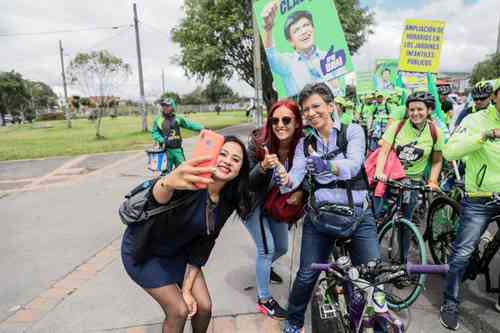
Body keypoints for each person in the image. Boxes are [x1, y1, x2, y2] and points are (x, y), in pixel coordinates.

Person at [274, 83, 380, 333]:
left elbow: (354, 166)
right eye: (305, 109)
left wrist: (326, 166)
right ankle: (294, 321)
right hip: (320, 219)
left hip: (358, 217)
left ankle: (376, 325)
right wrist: (283, 177)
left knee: (371, 279)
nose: (310, 113)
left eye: (316, 106)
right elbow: (295, 178)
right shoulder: (304, 142)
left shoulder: (352, 131)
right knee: (307, 274)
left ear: (331, 106)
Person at [121, 136, 251, 333]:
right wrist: (167, 183)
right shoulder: (190, 180)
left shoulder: (226, 200)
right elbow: (157, 198)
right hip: (145, 253)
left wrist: (187, 289)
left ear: (240, 169)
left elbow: (204, 244)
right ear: (213, 155)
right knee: (179, 310)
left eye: (235, 159)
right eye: (222, 154)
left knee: (204, 307)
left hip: (179, 253)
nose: (227, 161)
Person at [439, 79, 500, 331]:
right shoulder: (474, 120)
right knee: (462, 253)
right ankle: (450, 303)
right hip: (479, 198)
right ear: (496, 96)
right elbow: (450, 153)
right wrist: (484, 136)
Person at [245, 99, 304, 319]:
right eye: (275, 120)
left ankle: (265, 268)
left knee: (281, 247)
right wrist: (262, 167)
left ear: (297, 123)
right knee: (267, 249)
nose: (280, 124)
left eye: (286, 119)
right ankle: (264, 299)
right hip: (252, 203)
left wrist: (301, 193)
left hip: (275, 205)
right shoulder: (258, 142)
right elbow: (245, 182)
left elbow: (307, 176)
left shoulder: (301, 145)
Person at [374, 92, 444, 224]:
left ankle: (404, 243)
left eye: (420, 109)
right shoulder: (397, 126)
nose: (415, 113)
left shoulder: (435, 132)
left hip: (413, 183)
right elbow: (383, 152)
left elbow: (437, 161)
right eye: (412, 109)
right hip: (390, 179)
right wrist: (379, 172)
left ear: (429, 110)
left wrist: (433, 181)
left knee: (406, 222)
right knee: (377, 216)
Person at [261, 4, 340, 97]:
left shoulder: (330, 57)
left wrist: (335, 88)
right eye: (296, 30)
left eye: (306, 25)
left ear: (313, 28)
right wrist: (268, 27)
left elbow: (340, 90)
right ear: (290, 41)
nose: (303, 32)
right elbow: (271, 55)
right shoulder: (287, 62)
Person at [151, 97, 204, 173]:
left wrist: (202, 128)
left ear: (173, 107)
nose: (165, 108)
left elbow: (189, 124)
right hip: (166, 151)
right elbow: (154, 132)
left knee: (183, 170)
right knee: (166, 172)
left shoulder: (178, 118)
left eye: (167, 106)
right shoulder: (158, 119)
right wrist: (161, 139)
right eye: (163, 106)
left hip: (177, 150)